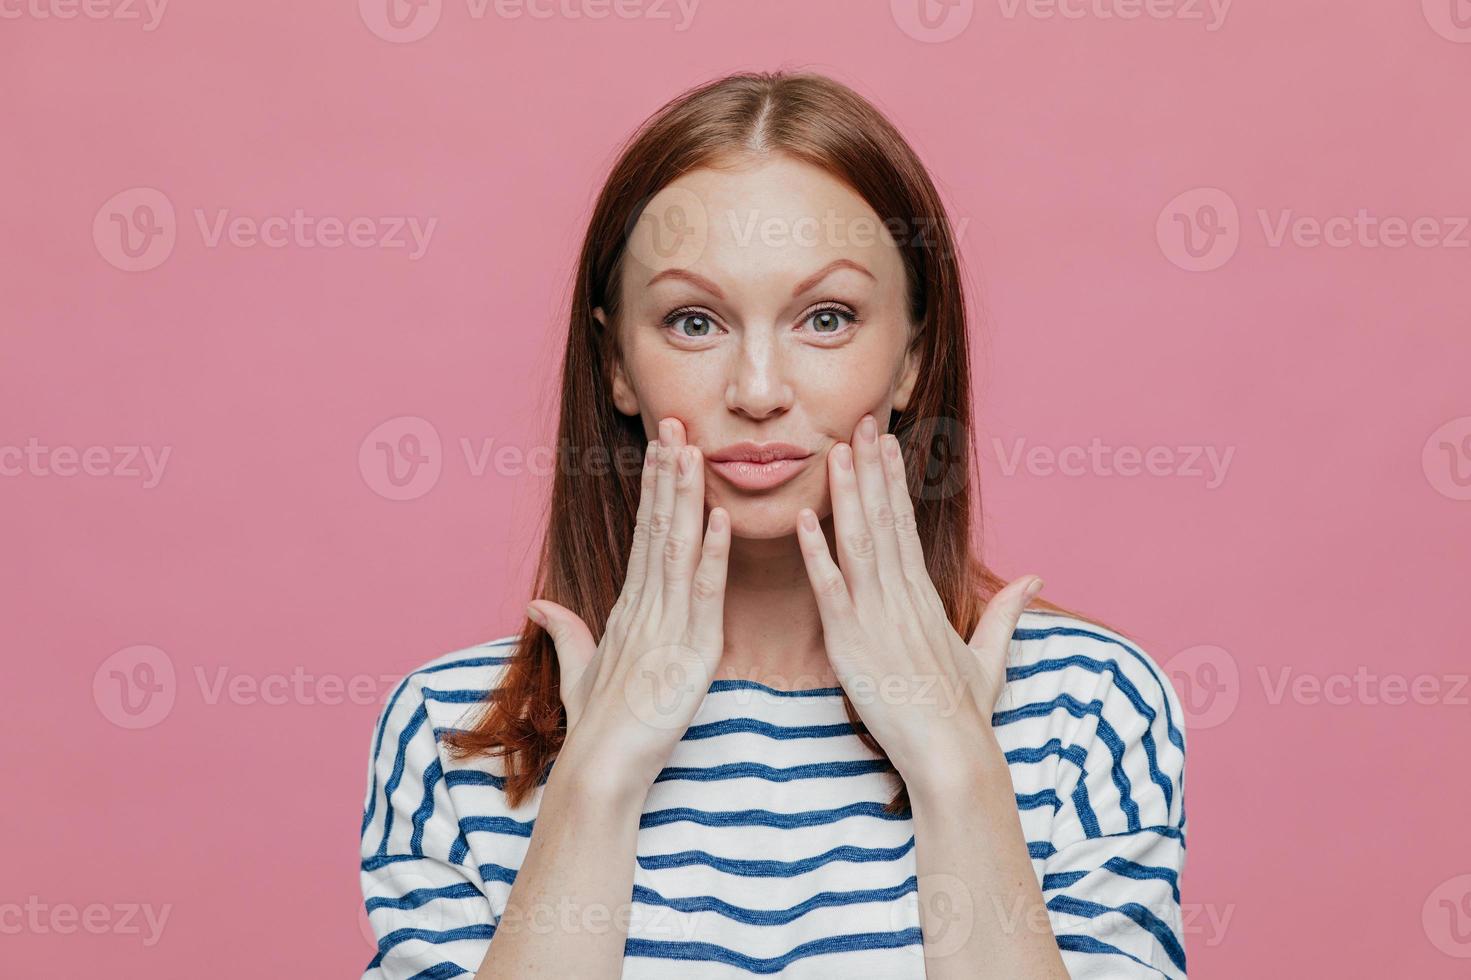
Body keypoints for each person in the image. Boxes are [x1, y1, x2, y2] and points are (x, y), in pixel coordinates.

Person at [359, 69, 1187, 979]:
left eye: (825, 318)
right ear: (616, 366)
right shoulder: (456, 729)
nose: (757, 391)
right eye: (692, 321)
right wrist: (594, 785)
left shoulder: (1083, 708)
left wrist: (956, 773)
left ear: (911, 358)